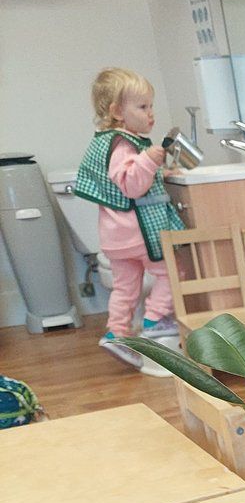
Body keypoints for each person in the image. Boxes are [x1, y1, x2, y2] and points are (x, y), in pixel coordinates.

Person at [75, 68, 184, 372]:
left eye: (151, 106)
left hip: (115, 237)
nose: (151, 114)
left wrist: (159, 173)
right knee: (171, 272)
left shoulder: (105, 142)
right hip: (138, 234)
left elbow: (122, 180)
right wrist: (151, 158)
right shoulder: (123, 143)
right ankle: (155, 319)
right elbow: (132, 185)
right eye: (143, 107)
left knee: (125, 289)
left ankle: (117, 333)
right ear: (117, 112)